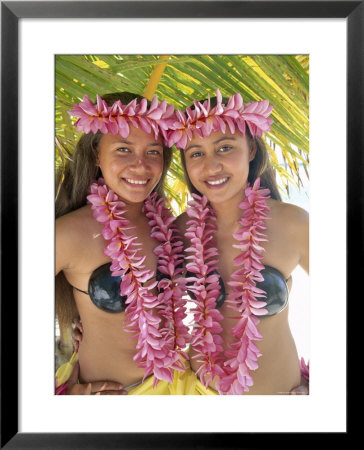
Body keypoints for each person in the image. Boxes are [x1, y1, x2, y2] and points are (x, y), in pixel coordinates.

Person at [168, 90, 309, 395]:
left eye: (225, 147)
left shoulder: (293, 224)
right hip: (197, 396)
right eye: (196, 153)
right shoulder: (178, 231)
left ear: (252, 149)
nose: (211, 166)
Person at [55, 91, 191, 395]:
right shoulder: (67, 234)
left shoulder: (171, 228)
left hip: (181, 390)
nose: (140, 165)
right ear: (95, 154)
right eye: (123, 149)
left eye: (153, 152)